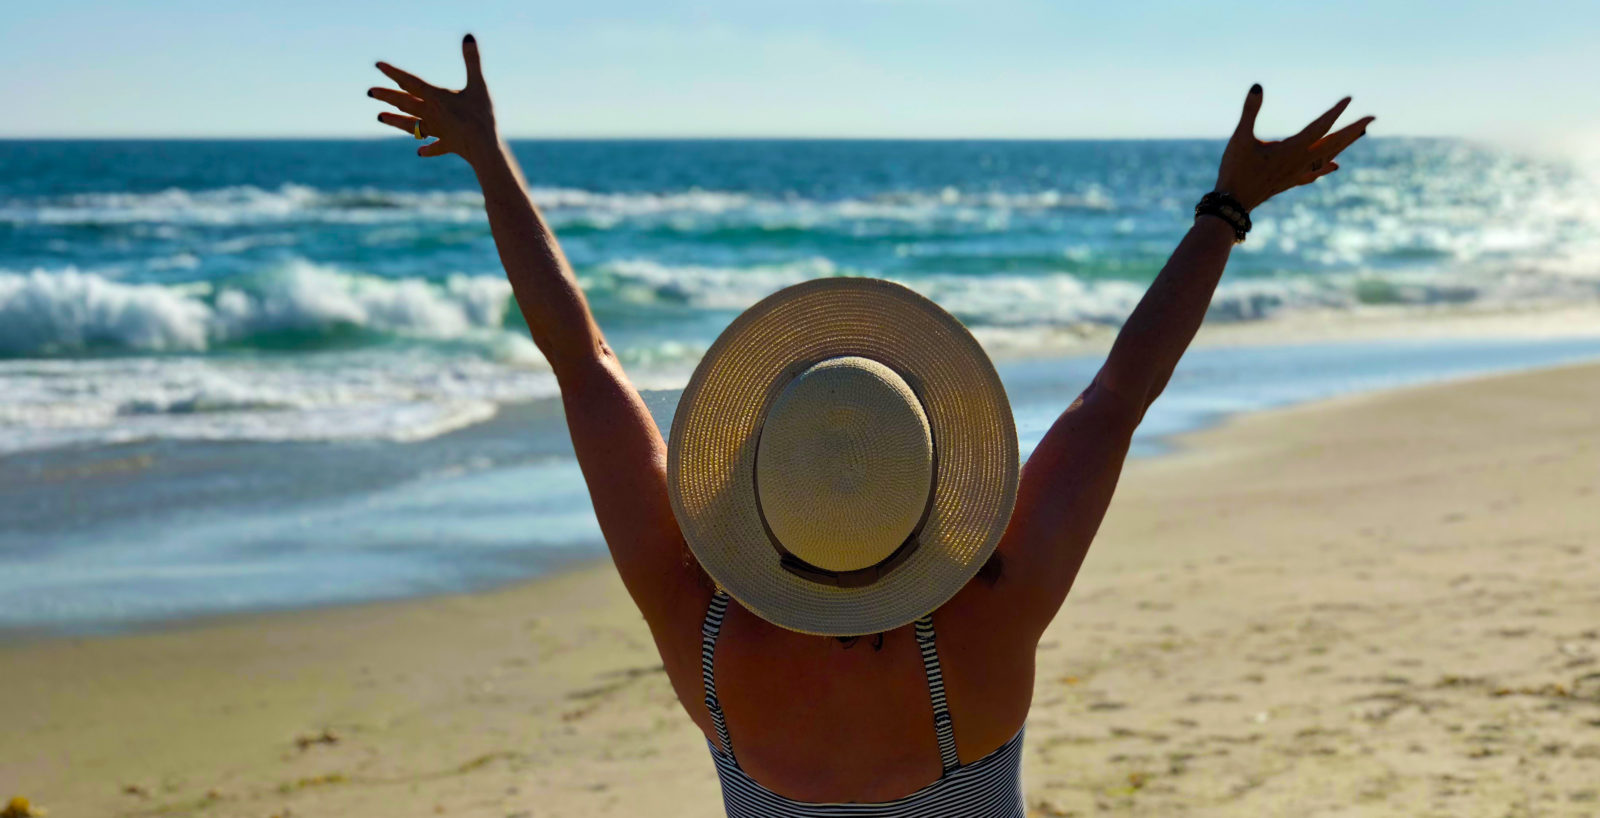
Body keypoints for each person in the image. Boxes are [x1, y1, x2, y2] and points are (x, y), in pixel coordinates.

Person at [368, 35, 1374, 816]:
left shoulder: (702, 633)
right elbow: (1115, 396)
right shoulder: (987, 624)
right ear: (929, 478)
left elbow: (584, 369)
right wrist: (1227, 207)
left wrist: (490, 162)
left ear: (759, 483)